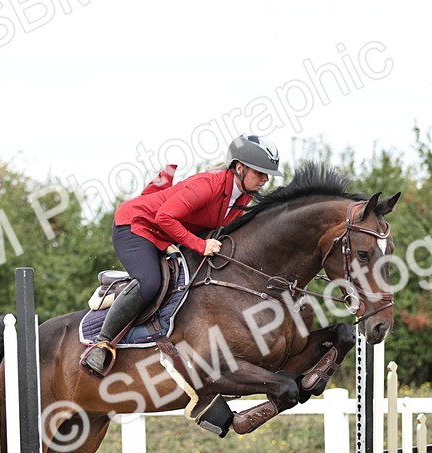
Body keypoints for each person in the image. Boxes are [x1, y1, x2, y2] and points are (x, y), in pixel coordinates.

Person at [80, 134, 282, 377]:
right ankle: (101, 343)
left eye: (267, 175)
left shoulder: (243, 197)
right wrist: (199, 245)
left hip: (167, 234)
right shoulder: (208, 185)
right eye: (260, 173)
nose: (265, 179)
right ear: (240, 168)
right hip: (136, 226)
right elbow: (164, 217)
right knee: (149, 281)